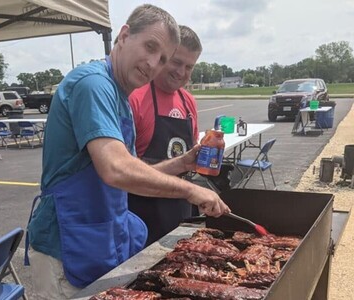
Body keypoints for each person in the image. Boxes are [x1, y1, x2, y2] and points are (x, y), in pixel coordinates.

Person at [25, 4, 230, 299]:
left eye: (161, 59)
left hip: (102, 240)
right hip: (66, 247)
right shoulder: (93, 84)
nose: (152, 63)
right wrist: (189, 190)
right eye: (149, 46)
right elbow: (116, 168)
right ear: (124, 35)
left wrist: (183, 162)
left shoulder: (119, 94)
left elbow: (134, 169)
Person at [128, 25, 202, 246]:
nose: (181, 72)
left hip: (180, 210)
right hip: (142, 216)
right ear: (163, 56)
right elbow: (125, 172)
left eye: (189, 67)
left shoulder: (188, 102)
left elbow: (191, 153)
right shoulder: (135, 98)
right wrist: (179, 164)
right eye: (176, 62)